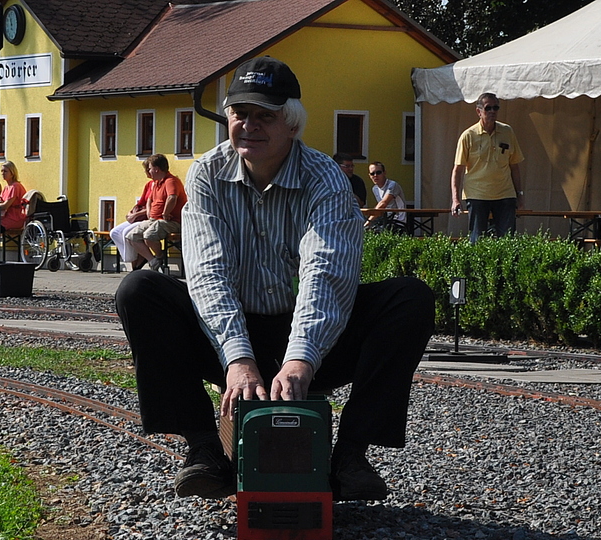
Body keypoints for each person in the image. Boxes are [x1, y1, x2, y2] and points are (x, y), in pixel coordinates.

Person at [115, 57, 434, 503]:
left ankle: (350, 456)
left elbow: (325, 274)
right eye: (240, 114)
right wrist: (237, 358)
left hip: (313, 336)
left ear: (292, 124)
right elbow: (207, 272)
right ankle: (204, 448)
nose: (250, 125)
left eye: (266, 116)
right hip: (230, 336)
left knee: (410, 298)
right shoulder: (207, 173)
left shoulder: (324, 178)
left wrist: (302, 358)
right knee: (139, 290)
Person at [451, 92, 524, 244]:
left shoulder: (507, 132)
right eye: (488, 108)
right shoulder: (468, 136)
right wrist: (455, 199)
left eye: (495, 108)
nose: (492, 112)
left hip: (505, 194)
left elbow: (514, 166)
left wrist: (520, 194)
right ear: (479, 111)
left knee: (508, 241)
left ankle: (506, 268)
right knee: (477, 240)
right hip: (477, 195)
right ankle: (477, 268)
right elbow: (458, 170)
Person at [124, 153, 185, 271]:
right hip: (154, 220)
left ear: (156, 169)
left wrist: (166, 213)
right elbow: (150, 199)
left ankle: (159, 256)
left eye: (150, 168)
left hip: (171, 221)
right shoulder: (157, 183)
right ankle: (153, 261)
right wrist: (149, 212)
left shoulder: (170, 181)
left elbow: (172, 197)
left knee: (149, 236)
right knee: (131, 237)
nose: (149, 171)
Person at [109, 159, 154, 269]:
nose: (146, 172)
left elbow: (154, 207)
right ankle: (132, 259)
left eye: (148, 169)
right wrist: (131, 212)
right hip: (139, 217)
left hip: (148, 218)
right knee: (115, 232)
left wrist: (136, 215)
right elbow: (141, 202)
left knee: (127, 232)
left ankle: (136, 265)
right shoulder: (149, 185)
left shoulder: (160, 184)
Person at [366, 161, 410, 233]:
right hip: (385, 220)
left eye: (378, 172)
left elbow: (383, 204)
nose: (375, 175)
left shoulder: (392, 185)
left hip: (398, 221)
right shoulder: (375, 189)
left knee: (371, 228)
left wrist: (369, 220)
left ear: (384, 173)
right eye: (372, 173)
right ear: (369, 176)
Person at [0, 161, 27, 230]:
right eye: (2, 171)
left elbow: (5, 205)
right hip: (5, 216)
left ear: (12, 173)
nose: (3, 173)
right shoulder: (6, 187)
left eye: (5, 171)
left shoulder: (15, 186)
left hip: (15, 218)